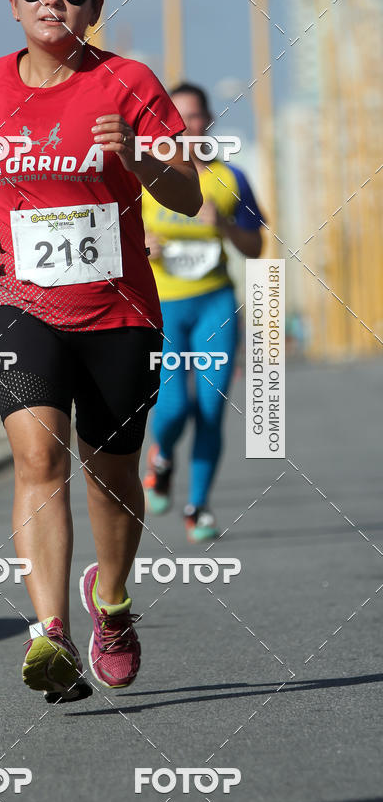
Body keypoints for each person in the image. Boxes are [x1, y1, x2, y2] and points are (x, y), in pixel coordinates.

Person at [0, 0, 202, 703]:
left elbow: (188, 194)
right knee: (38, 459)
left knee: (113, 472)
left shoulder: (129, 82)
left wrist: (137, 155)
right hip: (18, 297)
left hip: (118, 308)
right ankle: (51, 633)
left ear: (93, 6)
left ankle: (113, 606)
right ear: (14, 4)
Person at [142, 83, 265, 542]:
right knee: (174, 406)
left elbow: (256, 247)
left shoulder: (231, 178)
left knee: (211, 408)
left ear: (208, 120)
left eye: (192, 117)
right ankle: (161, 457)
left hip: (215, 303)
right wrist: (142, 245)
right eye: (174, 118)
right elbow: (111, 238)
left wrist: (226, 225)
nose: (184, 127)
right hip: (163, 307)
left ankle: (198, 507)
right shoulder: (144, 175)